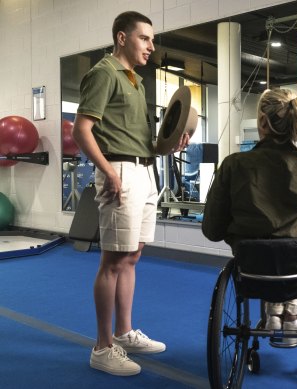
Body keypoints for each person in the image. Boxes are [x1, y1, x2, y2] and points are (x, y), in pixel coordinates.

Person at [72, 11, 190, 376]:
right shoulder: (104, 73)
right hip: (119, 171)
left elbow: (142, 141)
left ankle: (124, 333)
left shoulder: (136, 81)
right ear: (122, 38)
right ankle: (102, 347)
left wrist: (167, 148)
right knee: (112, 262)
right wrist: (108, 172)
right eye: (145, 38)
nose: (151, 46)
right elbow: (81, 130)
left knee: (132, 257)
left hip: (144, 170)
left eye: (152, 40)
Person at [202, 88, 297, 346]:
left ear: (263, 122)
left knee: (268, 252)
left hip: (250, 266)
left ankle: (274, 310)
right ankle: (291, 307)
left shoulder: (233, 165)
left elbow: (212, 229)